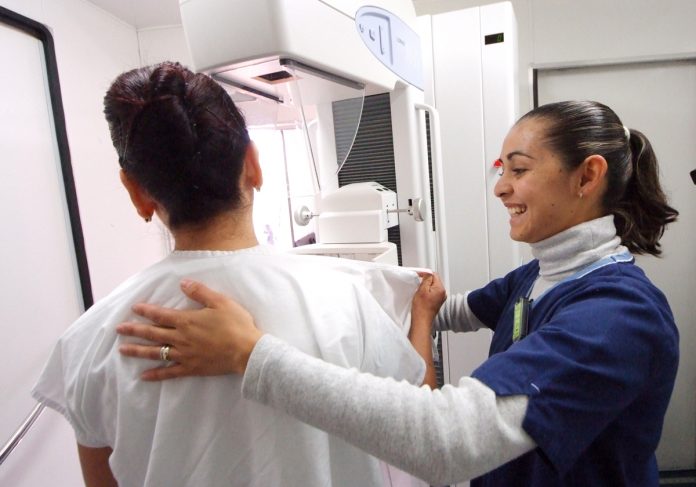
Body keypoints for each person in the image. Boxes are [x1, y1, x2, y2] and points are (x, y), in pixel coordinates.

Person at [116, 100, 681, 486]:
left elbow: (446, 440)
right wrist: (347, 283)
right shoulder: (541, 275)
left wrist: (251, 354)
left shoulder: (617, 318)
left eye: (518, 170)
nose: (501, 188)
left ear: (587, 177)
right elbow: (444, 307)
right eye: (500, 169)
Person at [31, 61, 433, 487]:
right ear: (253, 165)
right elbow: (424, 430)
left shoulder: (90, 341)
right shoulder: (347, 301)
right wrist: (423, 317)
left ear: (136, 192)